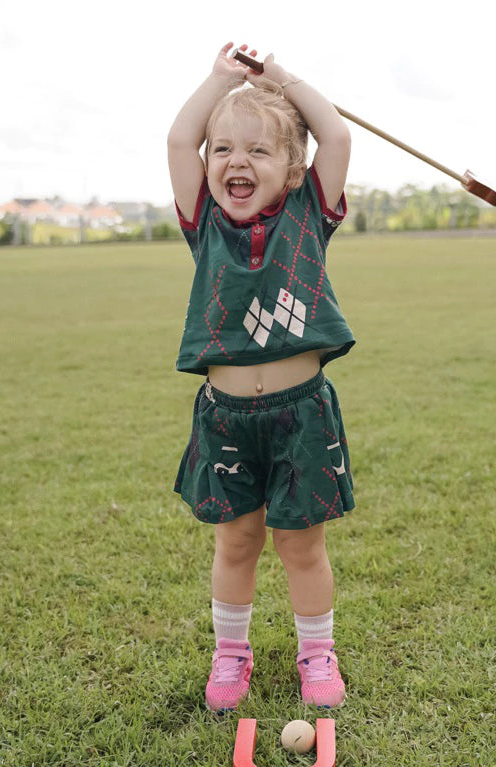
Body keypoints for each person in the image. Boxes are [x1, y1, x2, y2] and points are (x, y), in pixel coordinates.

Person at [167, 42, 354, 713]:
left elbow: (332, 131)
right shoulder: (206, 224)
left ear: (294, 170)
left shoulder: (310, 216)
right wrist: (220, 80)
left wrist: (279, 79)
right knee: (236, 539)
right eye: (223, 150)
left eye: (256, 151)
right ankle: (230, 656)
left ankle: (316, 654)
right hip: (225, 417)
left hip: (300, 412)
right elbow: (179, 136)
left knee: (301, 544)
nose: (235, 162)